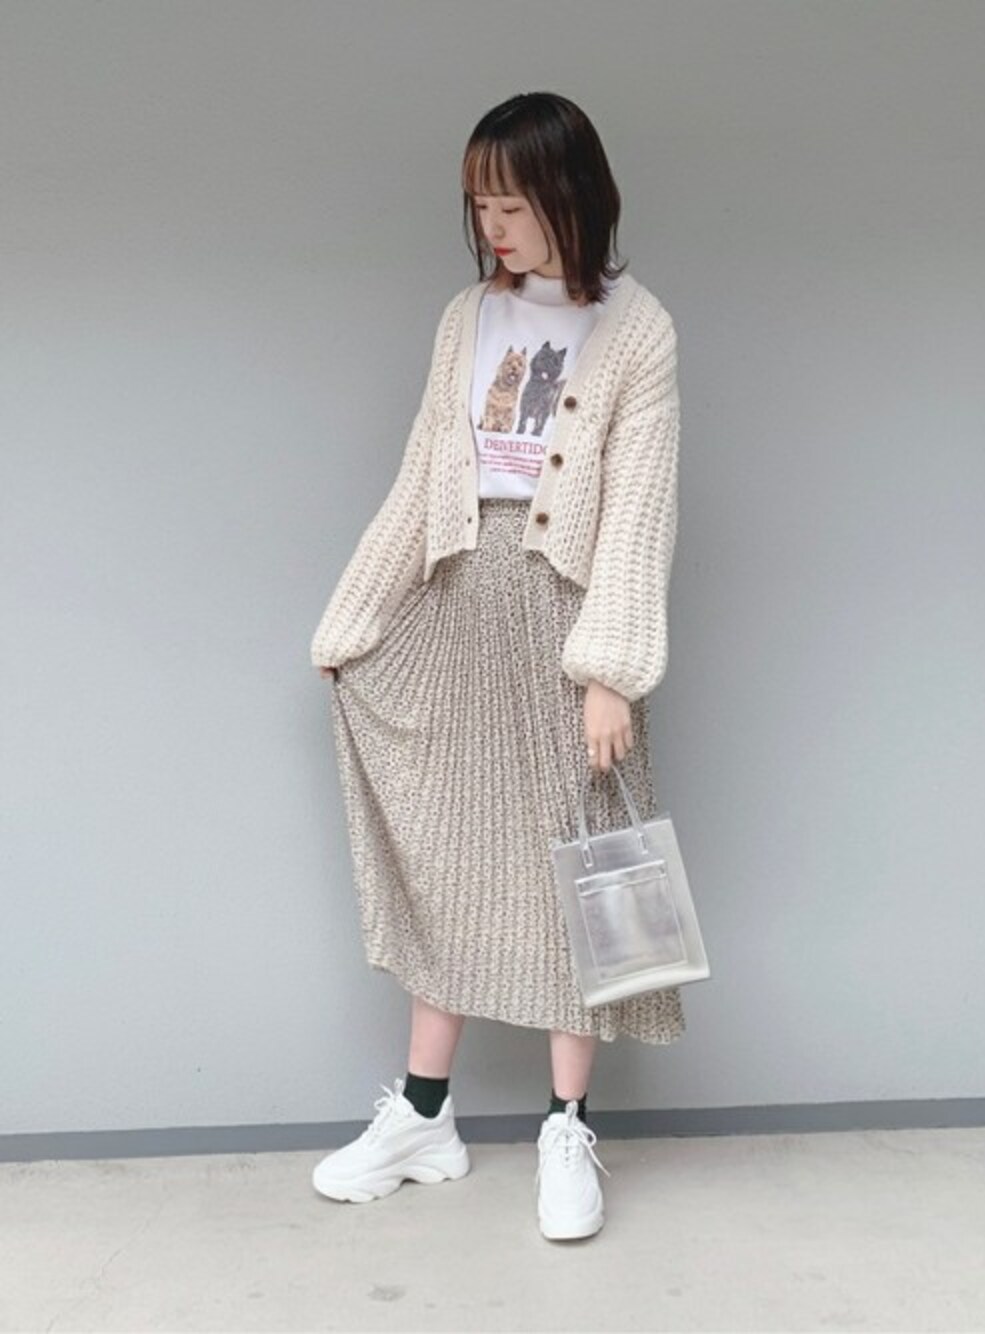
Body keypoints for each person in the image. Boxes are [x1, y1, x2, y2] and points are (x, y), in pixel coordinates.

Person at [308, 92, 684, 1241]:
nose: (492, 226)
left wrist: (610, 666)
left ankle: (568, 1126)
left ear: (570, 196)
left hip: (567, 618)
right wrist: (354, 616)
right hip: (459, 605)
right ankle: (425, 1113)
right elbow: (423, 473)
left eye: (510, 203)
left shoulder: (637, 328)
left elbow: (640, 506)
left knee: (586, 868)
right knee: (451, 853)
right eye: (479, 205)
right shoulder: (464, 317)